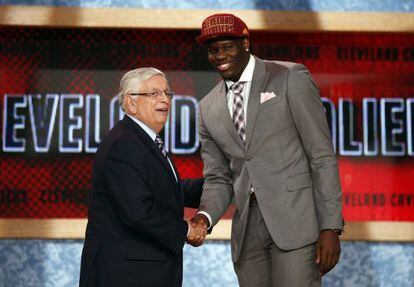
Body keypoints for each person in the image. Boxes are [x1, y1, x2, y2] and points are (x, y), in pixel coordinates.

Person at [191, 13, 344, 286]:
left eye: (227, 47)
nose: (220, 56)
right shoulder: (207, 108)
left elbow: (321, 156)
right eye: (213, 51)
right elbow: (218, 177)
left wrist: (330, 226)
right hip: (247, 230)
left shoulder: (288, 76)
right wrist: (204, 217)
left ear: (245, 42)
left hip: (296, 222)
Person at [79, 67, 205, 287]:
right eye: (154, 93)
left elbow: (165, 191)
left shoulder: (143, 139)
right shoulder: (124, 143)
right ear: (131, 103)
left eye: (167, 93)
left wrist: (221, 185)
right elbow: (138, 211)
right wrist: (186, 229)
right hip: (125, 276)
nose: (164, 99)